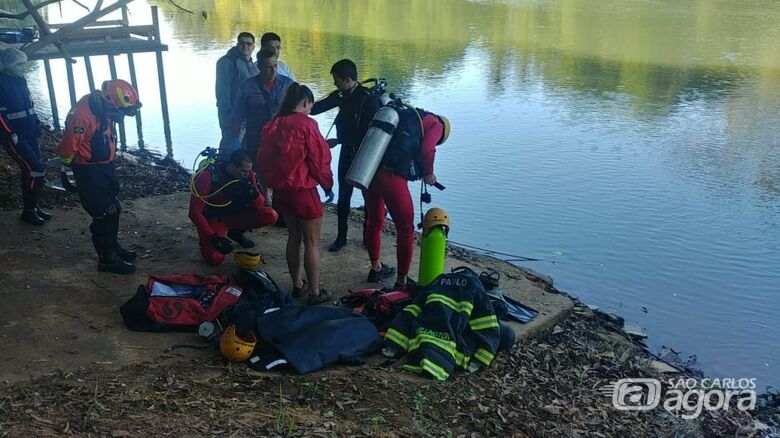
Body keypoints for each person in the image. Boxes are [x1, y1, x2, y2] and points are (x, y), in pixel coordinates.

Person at [57, 79, 142, 274]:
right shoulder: (82, 116)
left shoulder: (103, 108)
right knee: (103, 213)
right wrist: (69, 169)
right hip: (88, 170)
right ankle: (106, 259)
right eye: (118, 112)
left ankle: (112, 246)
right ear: (108, 102)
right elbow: (69, 147)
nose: (118, 117)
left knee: (114, 207)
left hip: (105, 165)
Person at [260, 83, 334, 305]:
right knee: (312, 242)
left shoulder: (272, 125)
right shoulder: (307, 124)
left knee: (294, 237)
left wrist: (270, 187)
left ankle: (297, 285)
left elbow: (263, 159)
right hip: (304, 193)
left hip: (283, 194)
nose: (310, 110)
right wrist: (327, 183)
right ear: (304, 102)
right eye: (310, 105)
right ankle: (314, 292)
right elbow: (318, 159)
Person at [363, 110, 450, 286]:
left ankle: (376, 268)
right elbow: (427, 149)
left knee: (373, 222)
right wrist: (429, 173)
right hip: (392, 179)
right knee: (405, 230)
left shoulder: (405, 115)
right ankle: (402, 281)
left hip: (369, 169)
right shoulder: (436, 125)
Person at [311, 59, 382, 252]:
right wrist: (300, 101)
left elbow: (370, 132)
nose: (334, 84)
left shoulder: (369, 99)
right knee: (344, 194)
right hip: (347, 150)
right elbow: (316, 109)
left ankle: (369, 237)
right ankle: (341, 237)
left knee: (369, 196)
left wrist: (340, 140)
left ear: (348, 79)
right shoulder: (341, 95)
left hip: (367, 155)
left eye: (336, 80)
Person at [188, 149, 278, 266]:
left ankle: (235, 232)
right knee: (215, 258)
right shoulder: (208, 177)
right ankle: (208, 240)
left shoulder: (249, 175)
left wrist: (254, 194)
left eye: (248, 171)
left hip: (234, 216)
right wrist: (213, 237)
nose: (246, 174)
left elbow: (259, 207)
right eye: (243, 171)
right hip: (215, 218)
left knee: (270, 216)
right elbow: (194, 213)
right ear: (231, 166)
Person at [0, 48, 49, 225]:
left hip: (30, 132)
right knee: (36, 170)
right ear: (9, 65)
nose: (22, 66)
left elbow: (29, 106)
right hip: (14, 136)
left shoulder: (21, 81)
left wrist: (37, 124)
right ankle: (28, 211)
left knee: (29, 171)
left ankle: (32, 206)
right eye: (19, 64)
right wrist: (10, 133)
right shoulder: (1, 83)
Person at [229, 49, 293, 170]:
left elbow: (298, 115)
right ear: (259, 67)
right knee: (257, 176)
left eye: (275, 65)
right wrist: (235, 140)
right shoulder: (247, 87)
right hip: (256, 140)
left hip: (282, 141)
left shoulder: (288, 85)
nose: (273, 71)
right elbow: (237, 117)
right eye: (268, 67)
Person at [215, 32, 259, 156]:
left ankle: (242, 172)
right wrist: (228, 112)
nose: (245, 46)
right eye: (242, 43)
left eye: (249, 44)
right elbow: (222, 90)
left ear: (253, 47)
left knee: (242, 146)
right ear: (237, 45)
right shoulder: (227, 62)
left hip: (246, 114)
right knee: (229, 144)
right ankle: (223, 169)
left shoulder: (250, 63)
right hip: (231, 114)